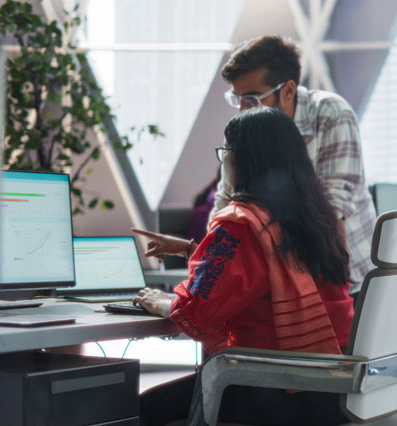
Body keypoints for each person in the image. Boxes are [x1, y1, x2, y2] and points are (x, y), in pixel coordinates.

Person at [132, 107, 355, 426]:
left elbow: (197, 311)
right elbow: (273, 269)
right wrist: (193, 250)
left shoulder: (241, 223)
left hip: (277, 391)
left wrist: (164, 303)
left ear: (243, 159)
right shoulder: (317, 216)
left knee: (139, 410)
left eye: (225, 153)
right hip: (332, 388)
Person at [216, 35, 376, 294]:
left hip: (345, 278)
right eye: (238, 99)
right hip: (284, 276)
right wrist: (212, 263)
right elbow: (225, 201)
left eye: (253, 99)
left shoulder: (331, 114)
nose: (244, 110)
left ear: (288, 90)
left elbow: (331, 210)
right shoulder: (243, 128)